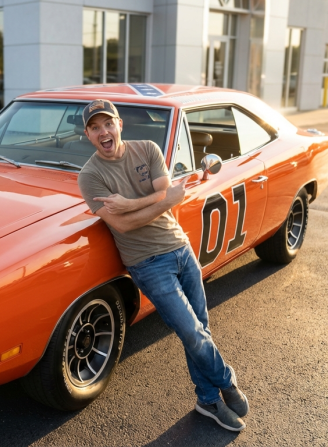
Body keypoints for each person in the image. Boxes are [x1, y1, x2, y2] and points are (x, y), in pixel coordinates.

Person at [76, 99, 249, 432]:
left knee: (200, 329)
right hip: (147, 264)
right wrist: (158, 202)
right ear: (87, 134)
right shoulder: (90, 177)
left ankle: (208, 400)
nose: (103, 132)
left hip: (181, 248)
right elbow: (125, 224)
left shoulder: (148, 150)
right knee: (192, 333)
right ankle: (226, 380)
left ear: (119, 124)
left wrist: (131, 204)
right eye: (95, 127)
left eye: (107, 123)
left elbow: (161, 196)